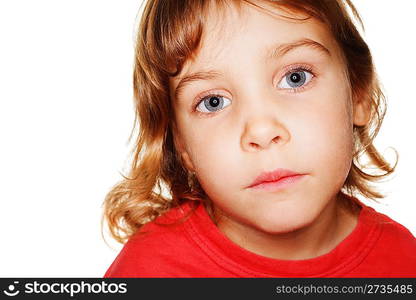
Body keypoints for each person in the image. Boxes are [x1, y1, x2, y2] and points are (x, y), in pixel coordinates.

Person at [102, 0, 416, 277]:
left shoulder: (404, 262)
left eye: (296, 78)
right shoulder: (149, 273)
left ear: (358, 94)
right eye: (213, 101)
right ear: (181, 144)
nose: (262, 131)